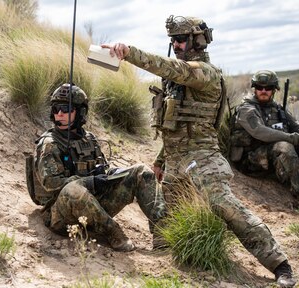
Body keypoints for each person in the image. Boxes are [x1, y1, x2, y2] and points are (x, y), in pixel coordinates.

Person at [102, 15, 296, 287]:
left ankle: (280, 265)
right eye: (173, 40)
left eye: (181, 39)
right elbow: (175, 126)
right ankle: (182, 258)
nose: (176, 44)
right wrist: (161, 159)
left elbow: (168, 66)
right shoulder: (177, 81)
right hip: (175, 163)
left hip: (203, 161)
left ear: (198, 41)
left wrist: (129, 53)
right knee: (170, 222)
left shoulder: (205, 73)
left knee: (229, 209)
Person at [27, 83, 165, 252]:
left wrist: (107, 175)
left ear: (80, 112)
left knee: (140, 171)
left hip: (95, 207)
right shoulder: (49, 143)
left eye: (65, 108)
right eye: (56, 109)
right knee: (73, 189)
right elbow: (51, 183)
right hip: (62, 216)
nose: (60, 114)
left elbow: (103, 169)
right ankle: (114, 232)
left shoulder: (89, 139)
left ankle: (163, 234)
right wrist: (90, 181)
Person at [230, 70, 299, 197]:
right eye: (259, 87)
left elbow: (295, 127)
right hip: (250, 161)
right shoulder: (246, 109)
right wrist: (291, 138)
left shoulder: (278, 109)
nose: (263, 91)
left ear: (274, 90)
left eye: (268, 88)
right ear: (254, 89)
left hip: (272, 157)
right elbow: (259, 131)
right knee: (285, 147)